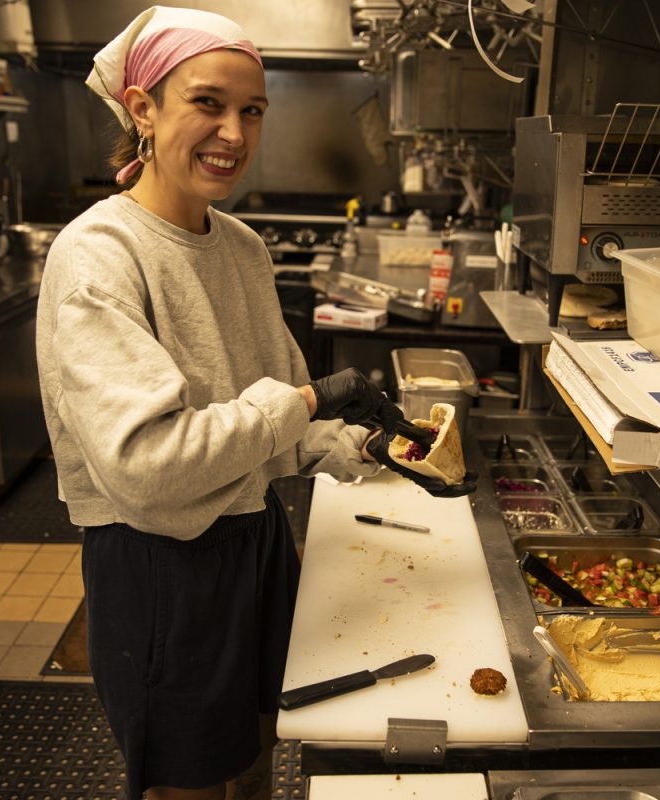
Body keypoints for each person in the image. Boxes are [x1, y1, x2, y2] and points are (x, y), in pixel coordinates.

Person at [35, 8, 474, 800]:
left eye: (252, 111)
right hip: (161, 567)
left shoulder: (241, 247)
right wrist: (309, 398)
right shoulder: (100, 258)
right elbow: (150, 469)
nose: (233, 133)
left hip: (254, 543)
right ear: (143, 109)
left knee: (260, 752)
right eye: (208, 103)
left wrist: (364, 447)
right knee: (190, 781)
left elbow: (274, 431)